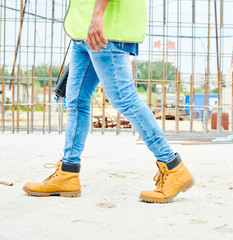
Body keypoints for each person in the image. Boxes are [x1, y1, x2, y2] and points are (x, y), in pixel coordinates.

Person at [23, 0, 194, 203]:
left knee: (124, 99)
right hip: (85, 31)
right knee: (76, 101)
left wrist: (97, 15)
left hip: (105, 29)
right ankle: (67, 174)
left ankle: (173, 167)